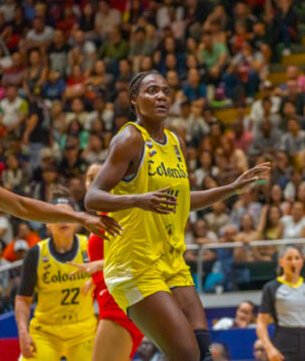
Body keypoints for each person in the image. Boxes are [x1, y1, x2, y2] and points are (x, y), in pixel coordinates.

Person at [84, 70, 270, 361]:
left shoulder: (176, 143)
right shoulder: (129, 140)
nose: (161, 96)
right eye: (152, 90)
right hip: (134, 264)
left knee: (205, 353)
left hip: (171, 261)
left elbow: (182, 201)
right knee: (186, 354)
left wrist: (232, 189)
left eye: (166, 91)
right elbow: (91, 197)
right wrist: (138, 200)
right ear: (134, 99)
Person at [14, 195, 97, 361]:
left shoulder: (90, 245)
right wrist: (23, 332)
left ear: (77, 222)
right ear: (47, 224)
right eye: (57, 215)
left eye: (68, 215)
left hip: (84, 332)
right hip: (45, 333)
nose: (63, 220)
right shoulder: (36, 253)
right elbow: (23, 299)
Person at [75, 164, 144, 361]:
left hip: (119, 304)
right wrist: (94, 279)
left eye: (99, 177)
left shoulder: (121, 215)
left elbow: (139, 256)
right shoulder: (102, 217)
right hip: (110, 299)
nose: (92, 182)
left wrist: (100, 265)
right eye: (89, 178)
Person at [256, 246, 305, 361]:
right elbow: (261, 323)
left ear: (302, 262)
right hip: (283, 342)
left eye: (297, 258)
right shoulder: (271, 287)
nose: (293, 262)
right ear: (281, 262)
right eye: (289, 258)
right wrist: (269, 348)